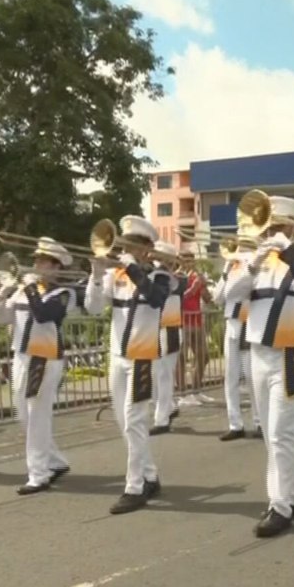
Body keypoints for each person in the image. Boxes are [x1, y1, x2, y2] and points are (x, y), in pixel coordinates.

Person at [221, 194, 294, 538]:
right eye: (267, 227)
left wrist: (289, 251)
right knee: (272, 434)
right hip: (259, 352)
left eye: (276, 227)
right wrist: (252, 263)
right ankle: (290, 496)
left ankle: (279, 505)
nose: (269, 233)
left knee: (281, 431)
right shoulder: (257, 261)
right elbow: (227, 295)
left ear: (291, 228)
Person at [83, 215, 172, 514]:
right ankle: (149, 475)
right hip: (118, 355)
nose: (126, 248)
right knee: (124, 422)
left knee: (134, 420)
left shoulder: (161, 274)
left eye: (133, 244)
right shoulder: (116, 274)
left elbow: (156, 298)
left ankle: (134, 487)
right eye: (125, 242)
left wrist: (132, 267)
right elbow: (93, 308)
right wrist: (96, 275)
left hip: (143, 355)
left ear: (147, 248)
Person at [0, 238, 77, 494]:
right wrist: (2, 293)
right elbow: (0, 318)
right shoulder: (23, 289)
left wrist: (28, 288)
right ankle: (54, 460)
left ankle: (39, 474)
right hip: (21, 356)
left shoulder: (63, 294)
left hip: (45, 358)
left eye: (43, 261)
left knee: (36, 415)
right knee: (24, 414)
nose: (36, 264)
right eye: (36, 259)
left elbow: (43, 314)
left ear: (56, 267)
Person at [212, 240, 261, 441]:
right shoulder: (233, 267)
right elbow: (217, 297)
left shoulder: (252, 264)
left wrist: (239, 264)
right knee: (230, 376)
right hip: (232, 322)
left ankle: (259, 421)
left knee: (251, 376)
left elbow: (241, 288)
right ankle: (235, 423)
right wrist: (225, 271)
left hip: (248, 320)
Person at [151, 241, 188, 435]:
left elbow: (175, 286)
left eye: (158, 256)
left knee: (164, 376)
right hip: (154, 330)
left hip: (171, 330)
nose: (154, 259)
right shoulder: (153, 276)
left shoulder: (178, 278)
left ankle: (162, 419)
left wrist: (168, 267)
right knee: (156, 376)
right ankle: (169, 407)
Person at [177, 254, 212, 406]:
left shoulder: (196, 276)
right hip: (182, 321)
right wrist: (192, 289)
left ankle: (196, 390)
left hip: (197, 321)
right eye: (185, 259)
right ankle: (183, 394)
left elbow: (208, 299)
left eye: (191, 260)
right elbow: (177, 298)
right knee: (182, 358)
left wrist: (203, 286)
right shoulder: (177, 276)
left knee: (203, 356)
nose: (189, 262)